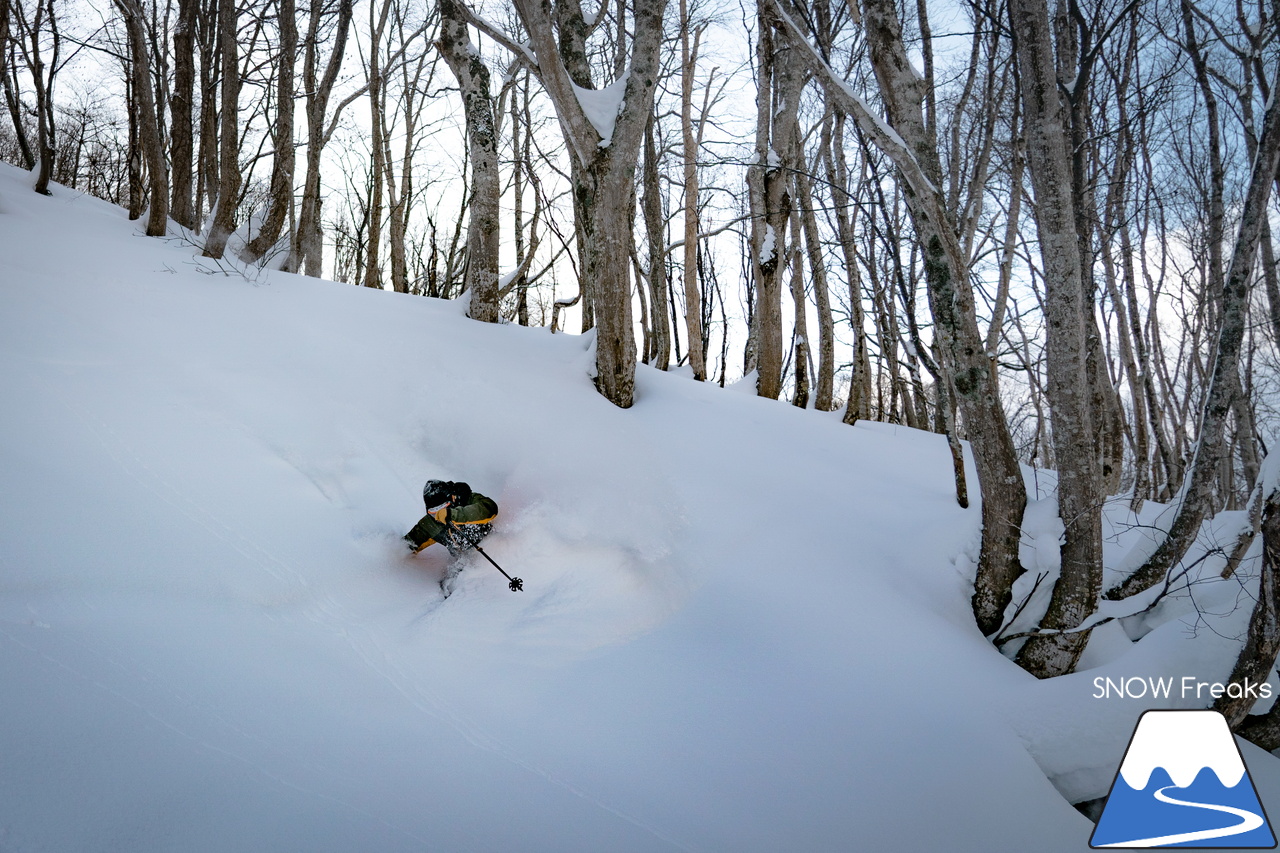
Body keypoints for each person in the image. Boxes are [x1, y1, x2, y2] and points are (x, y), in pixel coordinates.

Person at [404, 480, 499, 594]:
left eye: (441, 510)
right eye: (433, 512)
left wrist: (452, 514)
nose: (437, 516)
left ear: (452, 499)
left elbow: (489, 509)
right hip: (463, 561)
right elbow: (408, 545)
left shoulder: (468, 499)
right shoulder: (431, 524)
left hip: (492, 552)